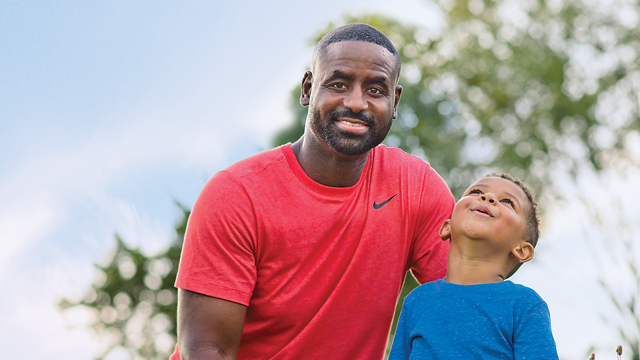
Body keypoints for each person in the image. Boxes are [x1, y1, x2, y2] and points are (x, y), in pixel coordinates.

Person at [171, 23, 455, 360]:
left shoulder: (416, 187)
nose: (356, 103)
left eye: (375, 90)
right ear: (308, 89)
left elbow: (469, 301)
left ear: (394, 102)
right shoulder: (236, 193)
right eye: (338, 84)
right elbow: (207, 349)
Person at [388, 174, 559, 360]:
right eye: (477, 192)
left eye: (508, 202)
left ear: (521, 250)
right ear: (447, 226)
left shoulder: (524, 305)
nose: (487, 198)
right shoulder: (416, 301)